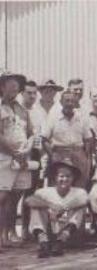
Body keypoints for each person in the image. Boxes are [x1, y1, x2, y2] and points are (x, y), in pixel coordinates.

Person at [25, 159, 88, 258]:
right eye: (61, 176)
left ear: (73, 178)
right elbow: (29, 201)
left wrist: (63, 208)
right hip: (49, 228)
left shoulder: (79, 191)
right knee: (36, 208)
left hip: (68, 232)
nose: (65, 179)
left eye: (68, 176)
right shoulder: (44, 192)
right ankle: (43, 242)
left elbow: (84, 200)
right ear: (55, 178)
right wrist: (50, 205)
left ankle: (60, 241)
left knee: (80, 208)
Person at [0, 71, 33, 250]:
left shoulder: (22, 109)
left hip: (22, 158)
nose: (14, 87)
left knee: (15, 197)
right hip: (4, 157)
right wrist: (14, 152)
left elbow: (30, 133)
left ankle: (8, 235)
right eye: (10, 84)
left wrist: (26, 150)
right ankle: (0, 237)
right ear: (2, 86)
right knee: (2, 197)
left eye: (17, 85)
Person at [42, 91, 93, 189]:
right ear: (61, 102)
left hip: (78, 153)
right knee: (58, 185)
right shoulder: (53, 117)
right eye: (67, 100)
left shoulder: (82, 117)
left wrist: (85, 157)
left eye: (72, 101)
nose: (69, 103)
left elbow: (88, 139)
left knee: (80, 185)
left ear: (75, 103)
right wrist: (53, 155)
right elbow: (44, 139)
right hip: (60, 154)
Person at [20, 80, 45, 241]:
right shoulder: (16, 110)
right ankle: (8, 231)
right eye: (28, 93)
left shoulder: (39, 113)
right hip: (17, 154)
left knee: (30, 192)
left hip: (34, 155)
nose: (32, 96)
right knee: (12, 194)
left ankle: (26, 229)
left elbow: (41, 137)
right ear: (22, 93)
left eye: (34, 93)